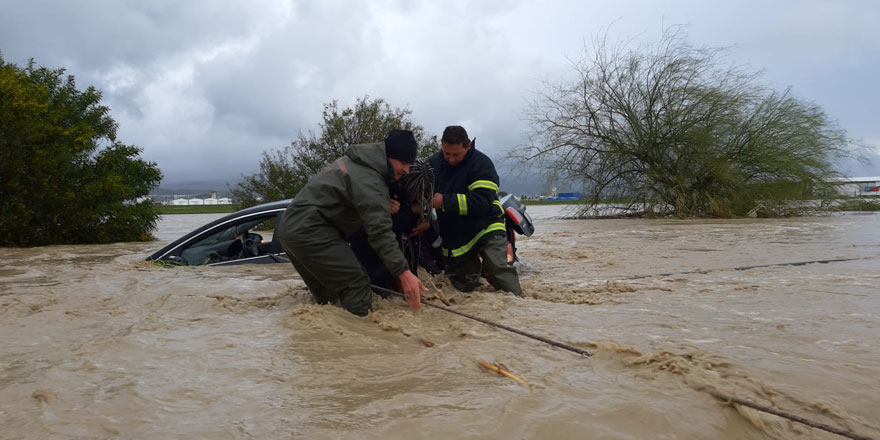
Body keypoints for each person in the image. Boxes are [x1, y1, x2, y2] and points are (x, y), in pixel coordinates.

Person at [276, 129, 428, 316]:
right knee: (357, 284)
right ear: (389, 156)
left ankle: (329, 334)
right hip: (311, 230)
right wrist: (404, 273)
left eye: (409, 163)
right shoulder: (369, 179)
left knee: (329, 299)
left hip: (293, 228)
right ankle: (363, 332)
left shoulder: (360, 165)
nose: (406, 169)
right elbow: (380, 233)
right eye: (403, 162)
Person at [427, 125, 522, 296]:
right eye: (446, 153)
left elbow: (482, 201)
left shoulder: (482, 164)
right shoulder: (431, 165)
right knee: (462, 288)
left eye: (456, 155)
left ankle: (519, 303)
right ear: (442, 145)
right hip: (456, 236)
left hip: (486, 226)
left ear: (468, 146)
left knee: (497, 269)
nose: (450, 159)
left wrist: (444, 201)